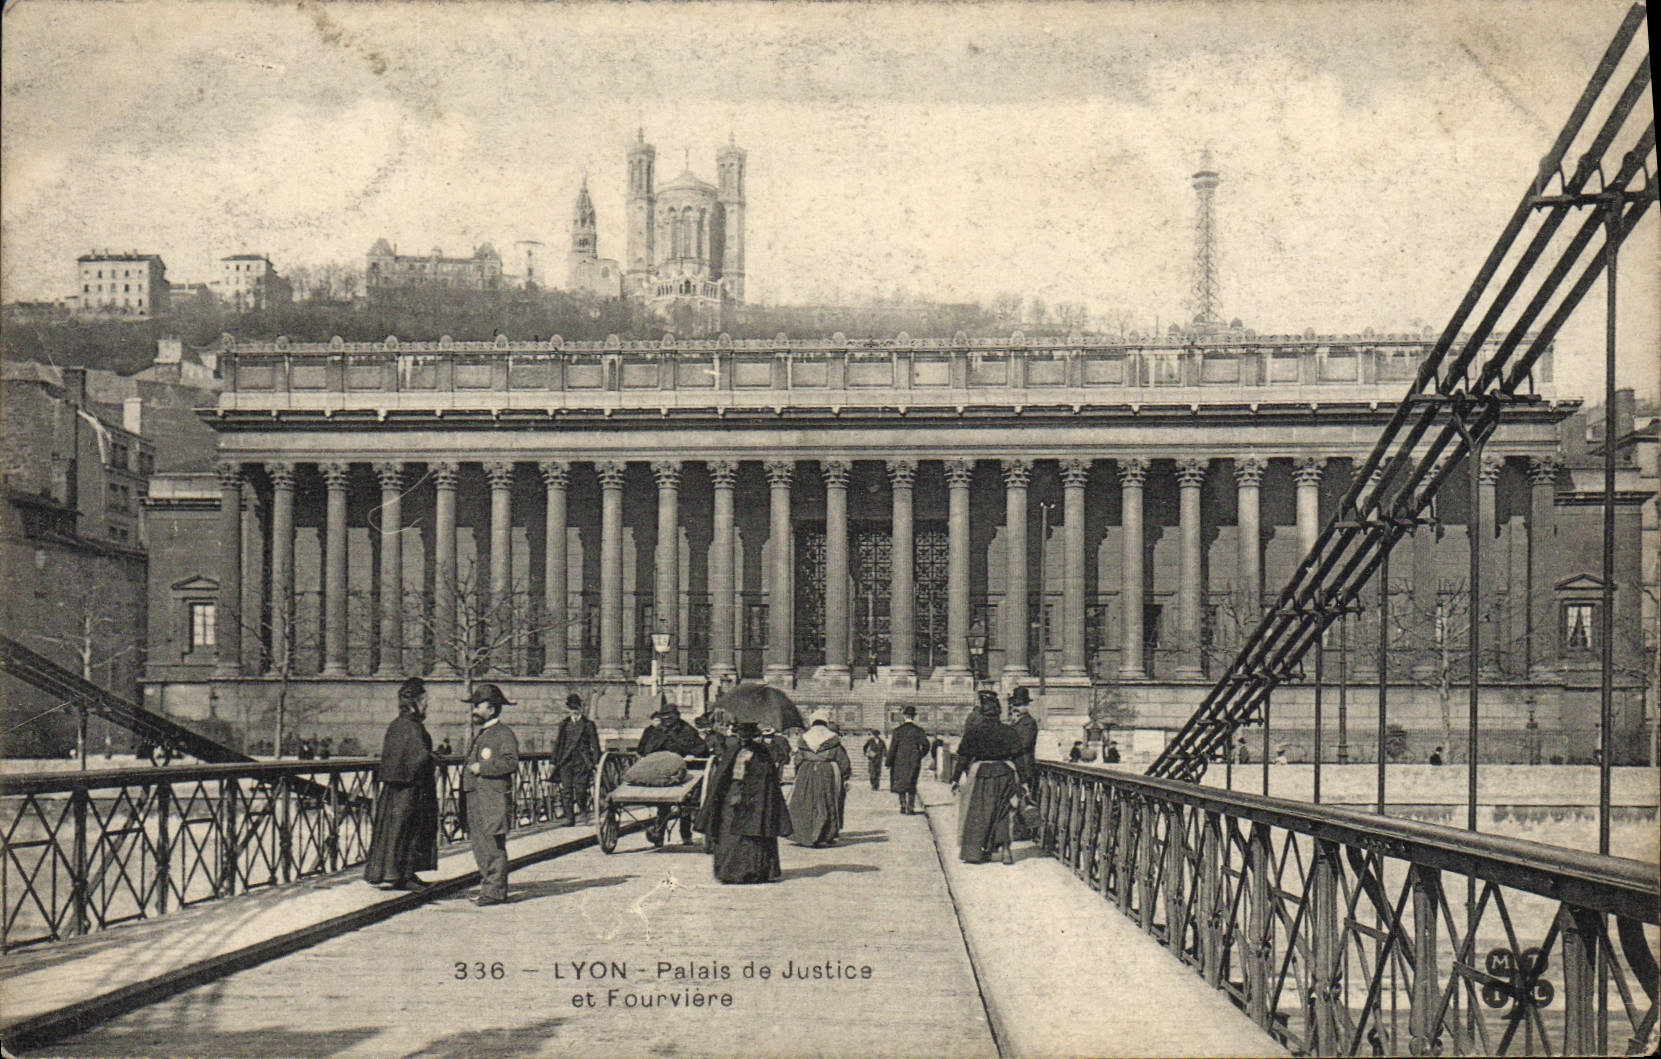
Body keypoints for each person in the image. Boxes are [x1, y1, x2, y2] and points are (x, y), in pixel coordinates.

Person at [364, 677, 439, 891]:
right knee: (407, 829)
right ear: (416, 702)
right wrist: (432, 757)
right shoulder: (411, 727)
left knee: (397, 830)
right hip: (410, 789)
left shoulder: (398, 725)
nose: (426, 706)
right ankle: (402, 875)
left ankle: (400, 873)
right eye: (424, 702)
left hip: (398, 787)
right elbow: (418, 757)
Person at [696, 722, 793, 883]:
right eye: (740, 735)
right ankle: (730, 872)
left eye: (746, 735)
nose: (743, 739)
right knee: (730, 832)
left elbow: (764, 779)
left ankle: (752, 871)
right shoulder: (734, 750)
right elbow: (723, 776)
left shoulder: (761, 753)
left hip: (754, 799)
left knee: (751, 833)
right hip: (733, 795)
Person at [951, 690, 1026, 864]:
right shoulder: (1008, 731)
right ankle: (1006, 850)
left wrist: (955, 778)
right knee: (1004, 812)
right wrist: (1024, 781)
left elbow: (963, 757)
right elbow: (1018, 758)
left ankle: (977, 852)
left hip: (981, 774)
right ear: (999, 712)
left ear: (983, 712)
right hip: (1005, 772)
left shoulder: (974, 732)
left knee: (979, 813)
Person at [461, 683, 519, 906]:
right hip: (477, 797)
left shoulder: (503, 734)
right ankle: (489, 888)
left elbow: (511, 762)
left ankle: (494, 891)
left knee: (492, 845)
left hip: (492, 799)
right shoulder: (484, 733)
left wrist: (483, 768)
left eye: (478, 706)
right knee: (481, 844)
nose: (475, 710)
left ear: (492, 709)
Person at [637, 702, 706, 844]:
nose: (667, 721)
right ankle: (659, 835)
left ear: (677, 716)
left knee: (685, 805)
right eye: (664, 717)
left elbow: (701, 749)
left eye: (670, 717)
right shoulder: (656, 730)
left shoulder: (687, 730)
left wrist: (689, 753)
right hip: (660, 770)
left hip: (683, 770)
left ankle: (685, 835)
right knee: (662, 804)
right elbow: (644, 749)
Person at [789, 711, 851, 847]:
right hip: (826, 771)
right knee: (826, 801)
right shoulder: (832, 739)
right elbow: (842, 759)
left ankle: (804, 834)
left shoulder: (804, 738)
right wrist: (845, 776)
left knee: (805, 802)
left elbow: (798, 759)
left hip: (806, 771)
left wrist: (798, 772)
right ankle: (824, 834)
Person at [550, 692, 601, 827]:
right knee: (566, 791)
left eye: (576, 708)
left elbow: (595, 744)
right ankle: (569, 818)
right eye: (571, 708)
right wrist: (553, 761)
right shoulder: (564, 724)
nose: (574, 711)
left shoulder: (588, 724)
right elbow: (559, 743)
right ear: (568, 709)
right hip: (566, 760)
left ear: (580, 708)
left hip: (582, 761)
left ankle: (583, 812)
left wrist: (596, 761)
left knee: (580, 789)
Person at [887, 706, 931, 815]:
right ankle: (911, 807)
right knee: (912, 783)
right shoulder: (918, 730)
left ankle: (903, 805)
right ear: (914, 717)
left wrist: (889, 761)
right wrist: (920, 755)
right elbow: (926, 745)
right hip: (914, 761)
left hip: (900, 761)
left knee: (901, 783)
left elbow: (893, 748)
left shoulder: (897, 731)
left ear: (904, 716)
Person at [1008, 687, 1039, 791]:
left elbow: (1024, 744)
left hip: (1024, 767)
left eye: (1020, 705)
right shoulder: (1015, 722)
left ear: (1026, 706)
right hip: (1014, 766)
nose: (1016, 708)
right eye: (1015, 705)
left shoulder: (1029, 722)